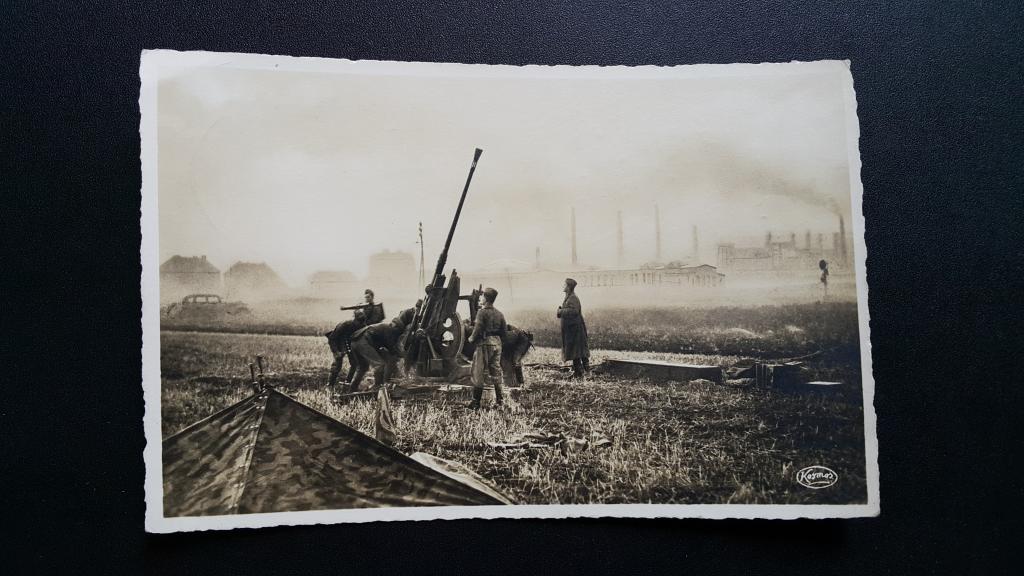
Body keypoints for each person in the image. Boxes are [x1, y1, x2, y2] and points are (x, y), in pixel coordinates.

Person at [467, 287, 507, 409]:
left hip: (485, 344)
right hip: (497, 344)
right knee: (496, 371)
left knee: (478, 371)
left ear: (486, 298)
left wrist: (471, 339)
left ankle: (475, 403)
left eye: (482, 296)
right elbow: (504, 332)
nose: (481, 298)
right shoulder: (499, 313)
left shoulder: (482, 312)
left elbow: (477, 328)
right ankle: (500, 401)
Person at [557, 278, 590, 378]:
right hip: (572, 329)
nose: (563, 286)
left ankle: (585, 373)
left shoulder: (573, 298)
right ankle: (579, 372)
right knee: (576, 351)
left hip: (575, 330)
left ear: (569, 287)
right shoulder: (569, 297)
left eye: (564, 285)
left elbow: (574, 311)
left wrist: (561, 311)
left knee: (579, 351)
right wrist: (561, 311)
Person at [325, 309, 366, 388]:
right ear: (354, 319)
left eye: (362, 321)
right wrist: (336, 352)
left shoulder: (362, 326)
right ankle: (330, 385)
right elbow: (332, 339)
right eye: (359, 321)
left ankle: (348, 382)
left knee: (355, 363)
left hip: (350, 343)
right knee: (337, 364)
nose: (360, 323)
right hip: (338, 342)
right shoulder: (344, 325)